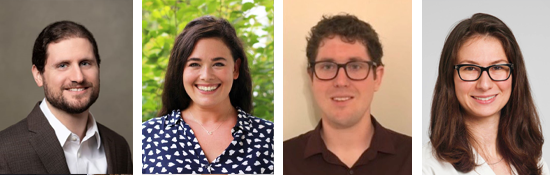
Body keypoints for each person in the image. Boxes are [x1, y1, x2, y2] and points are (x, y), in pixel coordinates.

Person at [141, 16, 274, 174]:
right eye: (194, 64)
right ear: (180, 70)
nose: (206, 75)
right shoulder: (147, 135)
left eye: (218, 64)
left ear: (235, 69)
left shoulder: (269, 137)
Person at [283, 14, 412, 175]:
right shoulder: (283, 161)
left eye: (355, 66)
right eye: (328, 66)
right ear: (311, 77)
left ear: (377, 77)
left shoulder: (413, 160)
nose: (341, 81)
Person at [423, 13, 549, 175]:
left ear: (515, 75)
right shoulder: (426, 167)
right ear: (450, 77)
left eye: (497, 68)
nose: (484, 84)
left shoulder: (533, 161)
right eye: (469, 68)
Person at [0, 21, 132, 174]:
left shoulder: (118, 146)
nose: (78, 77)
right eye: (63, 65)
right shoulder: (5, 151)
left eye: (85, 63)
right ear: (38, 75)